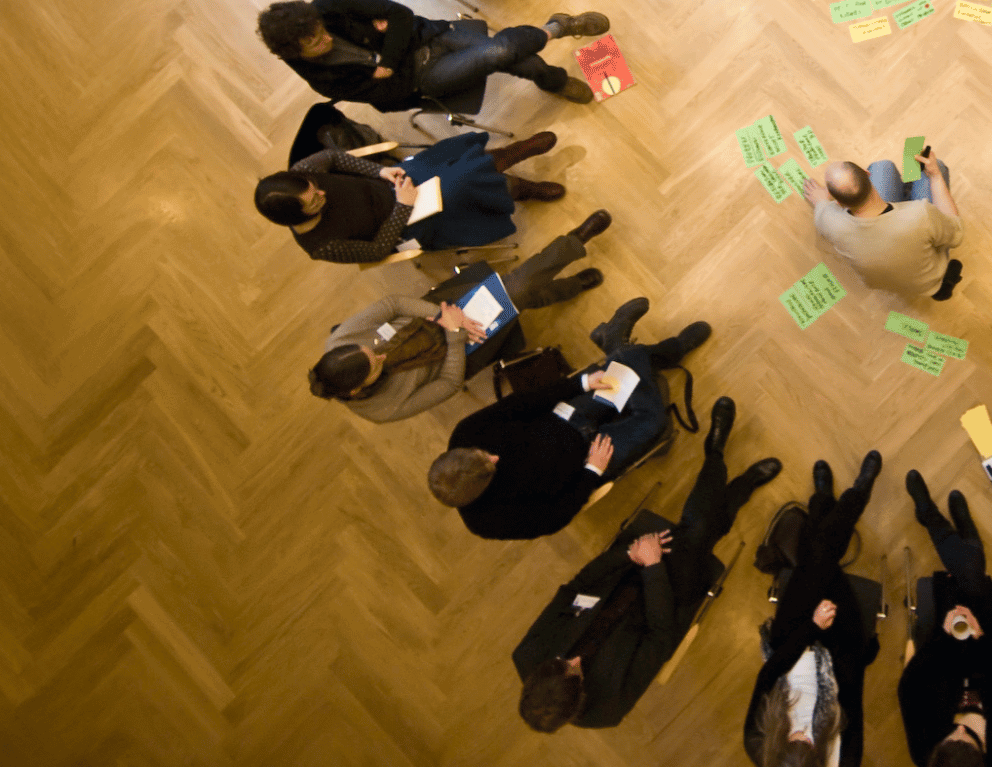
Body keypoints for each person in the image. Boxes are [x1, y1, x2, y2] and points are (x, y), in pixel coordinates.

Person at [513, 397, 783, 728]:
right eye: (577, 671)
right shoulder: (607, 708)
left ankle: (733, 476)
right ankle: (720, 459)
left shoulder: (528, 653)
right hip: (664, 605)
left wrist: (630, 555)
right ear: (579, 698)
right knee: (697, 531)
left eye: (563, 661)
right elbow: (660, 639)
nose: (575, 659)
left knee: (699, 531)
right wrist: (654, 568)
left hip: (621, 570)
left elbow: (577, 587)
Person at [430, 297, 714, 539]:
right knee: (653, 422)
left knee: (615, 376)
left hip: (566, 417)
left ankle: (646, 348)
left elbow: (523, 403)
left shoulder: (465, 433)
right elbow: (556, 517)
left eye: (482, 453)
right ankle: (621, 343)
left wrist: (579, 386)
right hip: (587, 461)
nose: (494, 458)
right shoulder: (487, 522)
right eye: (489, 467)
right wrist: (592, 470)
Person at [308, 211, 615, 421]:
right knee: (518, 293)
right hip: (462, 351)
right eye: (374, 364)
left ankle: (573, 252)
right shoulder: (382, 411)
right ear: (356, 390)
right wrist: (455, 334)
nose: (378, 354)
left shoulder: (341, 340)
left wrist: (444, 316)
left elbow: (392, 305)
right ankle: (572, 270)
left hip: (437, 312)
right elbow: (448, 385)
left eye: (370, 350)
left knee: (518, 290)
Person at [742, 450, 884, 767]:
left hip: (791, 646)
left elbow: (769, 674)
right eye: (811, 743)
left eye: (794, 739)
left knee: (817, 561)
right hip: (840, 657)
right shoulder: (845, 764)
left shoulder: (756, 742)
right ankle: (832, 500)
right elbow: (852, 694)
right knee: (820, 563)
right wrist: (837, 638)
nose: (803, 734)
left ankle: (841, 498)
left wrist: (810, 627)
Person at [899, 471, 992, 767]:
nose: (958, 729)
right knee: (972, 577)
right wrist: (982, 635)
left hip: (944, 649)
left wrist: (945, 637)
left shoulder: (922, 751)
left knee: (969, 577)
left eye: (950, 738)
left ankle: (950, 528)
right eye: (967, 738)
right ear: (982, 760)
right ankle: (946, 525)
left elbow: (911, 684)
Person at [253, 132, 563, 265]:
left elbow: (334, 158)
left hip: (394, 180)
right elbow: (376, 251)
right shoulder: (322, 246)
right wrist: (403, 206)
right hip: (404, 223)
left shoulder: (302, 171)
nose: (322, 192)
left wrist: (378, 172)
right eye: (314, 202)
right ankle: (518, 181)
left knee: (456, 172)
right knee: (458, 183)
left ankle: (513, 165)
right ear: (298, 218)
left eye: (314, 187)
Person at [257, 0, 607, 109]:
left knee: (503, 52)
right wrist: (390, 39)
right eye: (315, 44)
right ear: (294, 52)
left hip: (429, 35)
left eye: (321, 31)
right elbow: (389, 96)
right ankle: (557, 30)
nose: (326, 39)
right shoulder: (324, 80)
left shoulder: (327, 7)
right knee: (498, 54)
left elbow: (400, 14)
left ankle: (552, 68)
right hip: (424, 79)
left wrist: (389, 61)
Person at [803, 149, 963, 300]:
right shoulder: (921, 214)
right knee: (937, 166)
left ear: (837, 202)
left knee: (883, 167)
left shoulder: (825, 219)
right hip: (930, 282)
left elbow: (821, 204)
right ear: (867, 174)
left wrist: (822, 200)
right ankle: (918, 185)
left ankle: (906, 191)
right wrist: (935, 175)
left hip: (894, 280)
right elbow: (957, 234)